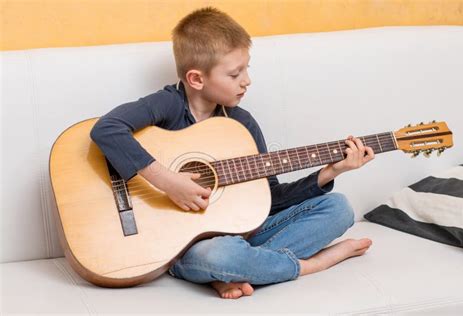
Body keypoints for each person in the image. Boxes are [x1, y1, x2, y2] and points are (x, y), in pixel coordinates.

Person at [90, 7, 374, 299]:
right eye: (235, 73)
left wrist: (330, 172)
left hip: (241, 236)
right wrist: (168, 182)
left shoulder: (242, 124)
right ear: (196, 79)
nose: (246, 80)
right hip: (182, 247)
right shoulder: (168, 105)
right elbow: (107, 129)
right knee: (218, 255)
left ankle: (231, 272)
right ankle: (307, 266)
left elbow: (270, 198)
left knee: (338, 208)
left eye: (247, 68)